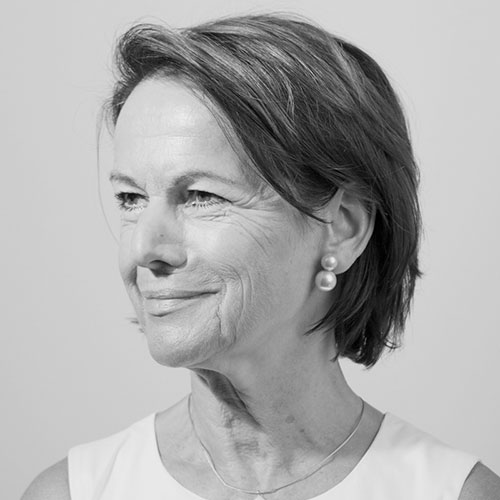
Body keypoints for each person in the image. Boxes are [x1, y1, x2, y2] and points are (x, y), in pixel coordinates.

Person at [22, 13, 500, 500]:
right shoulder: (70, 492)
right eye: (130, 199)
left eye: (201, 196)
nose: (144, 249)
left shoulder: (455, 493)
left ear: (342, 228)